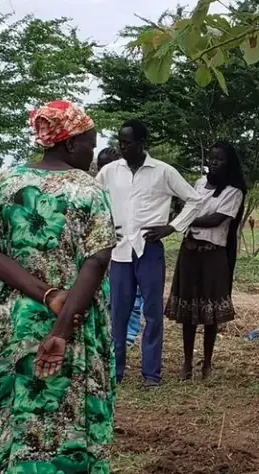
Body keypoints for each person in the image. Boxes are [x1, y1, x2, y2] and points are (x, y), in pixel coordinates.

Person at [0, 99, 115, 474]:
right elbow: (95, 263)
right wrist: (62, 323)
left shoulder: (6, 182)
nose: (93, 152)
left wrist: (43, 295)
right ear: (71, 141)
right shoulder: (88, 192)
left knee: (15, 427)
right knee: (76, 425)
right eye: (90, 143)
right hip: (76, 328)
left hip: (14, 327)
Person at [97, 119, 195, 388]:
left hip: (149, 249)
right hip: (119, 252)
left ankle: (151, 375)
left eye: (127, 142)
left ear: (142, 144)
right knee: (118, 313)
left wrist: (171, 227)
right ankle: (114, 374)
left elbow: (194, 200)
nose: (122, 147)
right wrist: (105, 229)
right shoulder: (109, 171)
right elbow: (95, 199)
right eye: (120, 141)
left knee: (152, 314)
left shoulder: (162, 172)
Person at [166, 141, 247, 379]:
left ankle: (207, 363)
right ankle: (188, 362)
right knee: (188, 309)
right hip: (190, 251)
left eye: (219, 159)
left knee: (210, 312)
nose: (213, 162)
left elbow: (216, 220)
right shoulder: (200, 184)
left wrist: (184, 220)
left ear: (228, 162)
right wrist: (187, 217)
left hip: (213, 254)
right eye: (211, 158)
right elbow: (189, 208)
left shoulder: (234, 191)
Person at [96, 147, 144, 349]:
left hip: (128, 249)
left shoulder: (132, 187)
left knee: (131, 297)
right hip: (103, 252)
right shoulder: (95, 191)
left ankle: (125, 339)